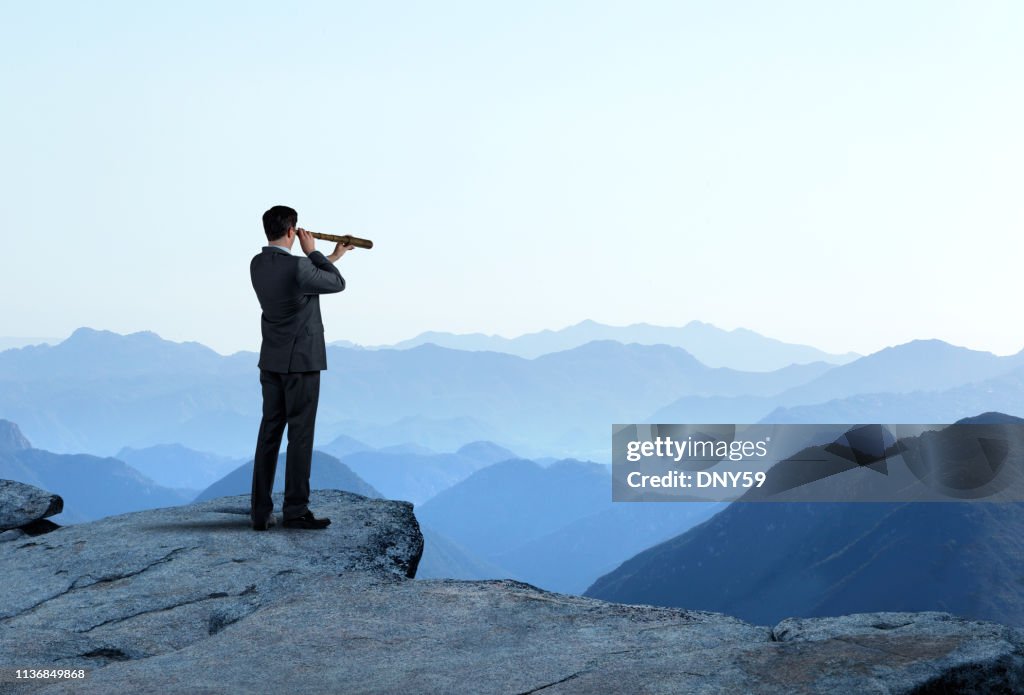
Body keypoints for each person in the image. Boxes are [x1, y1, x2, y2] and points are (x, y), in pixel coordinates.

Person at [249, 205, 355, 531]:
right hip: (302, 364)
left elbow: (306, 280)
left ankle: (260, 511)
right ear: (293, 231)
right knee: (300, 437)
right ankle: (295, 510)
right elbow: (336, 283)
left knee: (269, 434)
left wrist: (331, 256)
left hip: (272, 362)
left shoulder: (258, 264)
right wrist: (316, 252)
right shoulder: (300, 265)